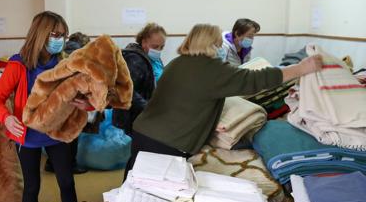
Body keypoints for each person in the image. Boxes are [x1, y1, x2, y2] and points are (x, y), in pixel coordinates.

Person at [124, 24, 323, 178]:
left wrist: (207, 123)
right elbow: (256, 80)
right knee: (157, 194)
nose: (220, 49)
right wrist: (300, 69)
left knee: (134, 184)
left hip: (143, 132)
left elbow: (182, 101)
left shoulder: (177, 63)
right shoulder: (212, 69)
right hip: (167, 143)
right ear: (209, 45)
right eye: (218, 44)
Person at [0, 11, 92, 202]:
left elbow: (85, 97)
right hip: (29, 138)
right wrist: (7, 118)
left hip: (57, 133)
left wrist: (85, 105)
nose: (59, 39)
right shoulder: (18, 64)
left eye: (62, 35)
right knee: (32, 186)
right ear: (41, 34)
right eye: (55, 34)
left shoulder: (65, 63)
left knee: (66, 181)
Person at [44, 31, 91, 175]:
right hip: (70, 99)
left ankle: (50, 163)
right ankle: (71, 165)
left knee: (56, 132)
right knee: (71, 133)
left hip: (53, 98)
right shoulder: (78, 54)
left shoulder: (59, 51)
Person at [113, 23, 167, 135]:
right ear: (143, 42)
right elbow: (128, 90)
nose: (158, 50)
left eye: (162, 47)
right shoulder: (135, 59)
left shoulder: (154, 59)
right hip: (134, 117)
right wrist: (149, 108)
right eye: (155, 46)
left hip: (146, 114)